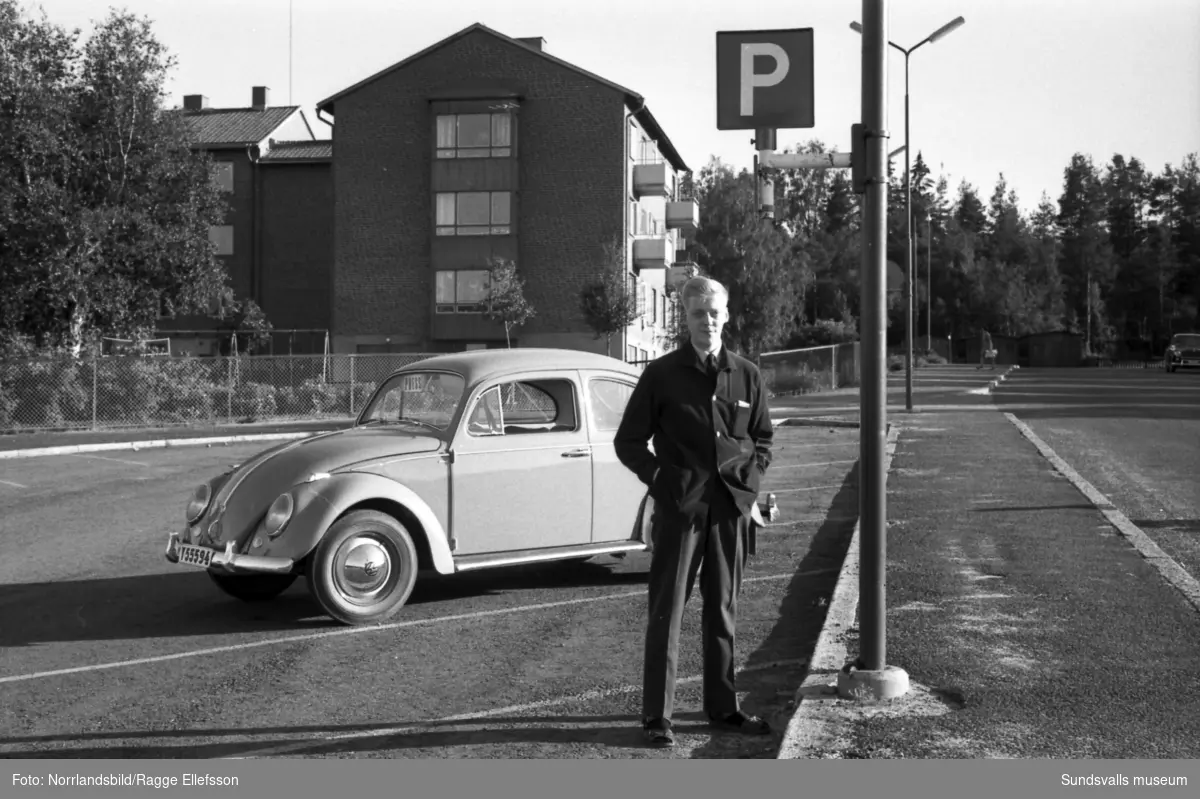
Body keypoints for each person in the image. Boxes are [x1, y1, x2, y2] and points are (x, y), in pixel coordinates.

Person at [614, 276, 775, 747]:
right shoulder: (661, 375)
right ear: (685, 318)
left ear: (727, 316)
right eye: (698, 313)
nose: (707, 321)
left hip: (730, 511)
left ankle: (723, 708)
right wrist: (662, 479)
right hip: (681, 510)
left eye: (714, 312)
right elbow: (628, 442)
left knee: (722, 610)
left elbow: (762, 436)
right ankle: (656, 717)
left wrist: (752, 478)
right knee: (667, 611)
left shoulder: (746, 374)